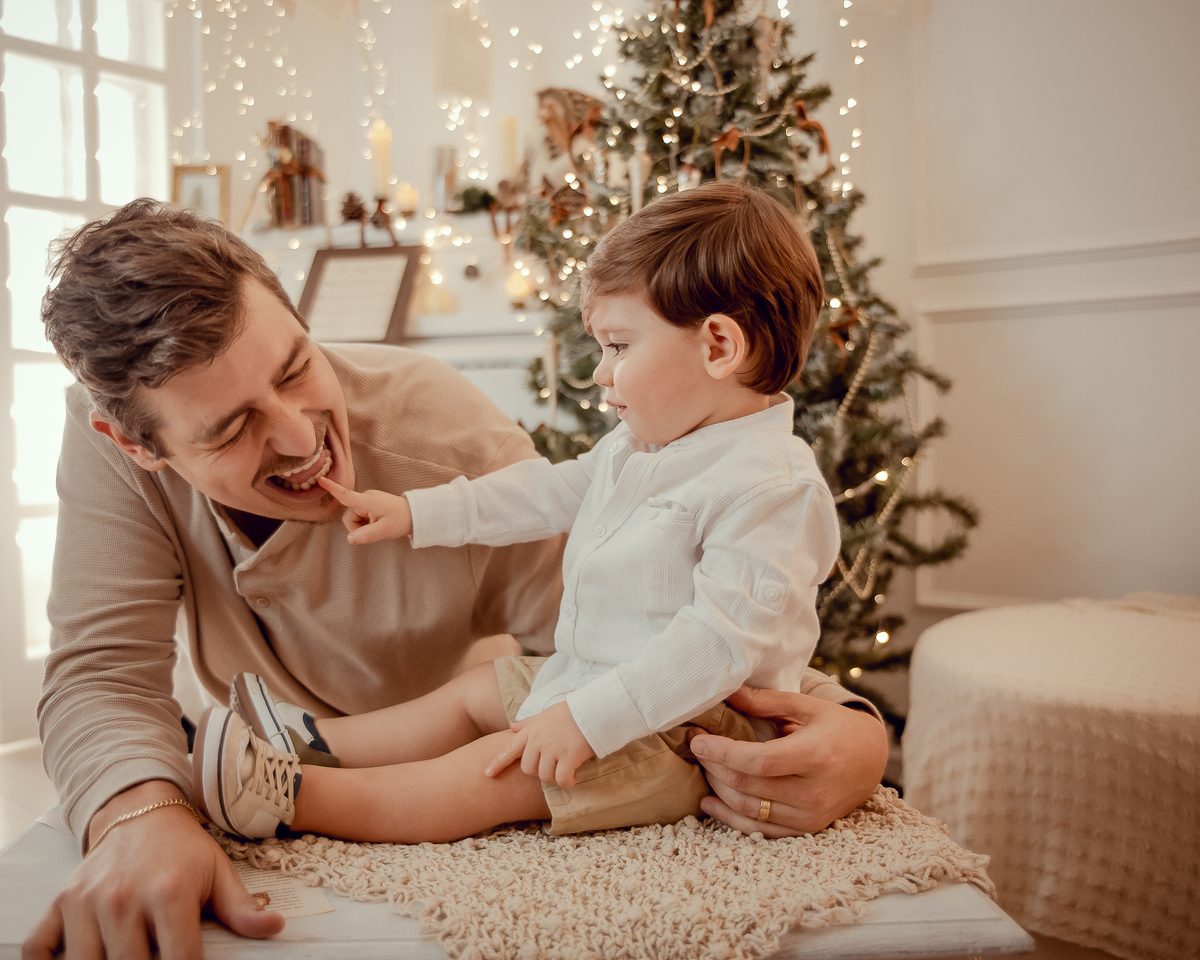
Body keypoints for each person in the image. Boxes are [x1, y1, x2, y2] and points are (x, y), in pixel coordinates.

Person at [24, 198, 887, 960]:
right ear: (134, 443)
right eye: (230, 428)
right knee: (488, 692)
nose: (297, 437)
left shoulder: (455, 439)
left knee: (501, 760)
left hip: (600, 728)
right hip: (331, 719)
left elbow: (681, 630)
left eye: (295, 368)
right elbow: (101, 671)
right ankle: (293, 744)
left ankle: (289, 790)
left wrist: (855, 731)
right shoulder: (112, 436)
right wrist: (138, 811)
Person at [190, 180, 845, 845]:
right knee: (477, 691)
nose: (600, 373)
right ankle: (310, 740)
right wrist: (417, 513)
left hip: (691, 727)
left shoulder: (772, 488)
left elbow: (717, 646)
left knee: (492, 771)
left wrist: (587, 721)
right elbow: (546, 493)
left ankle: (287, 796)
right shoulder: (644, 445)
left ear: (719, 348)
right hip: (601, 679)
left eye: (619, 346)